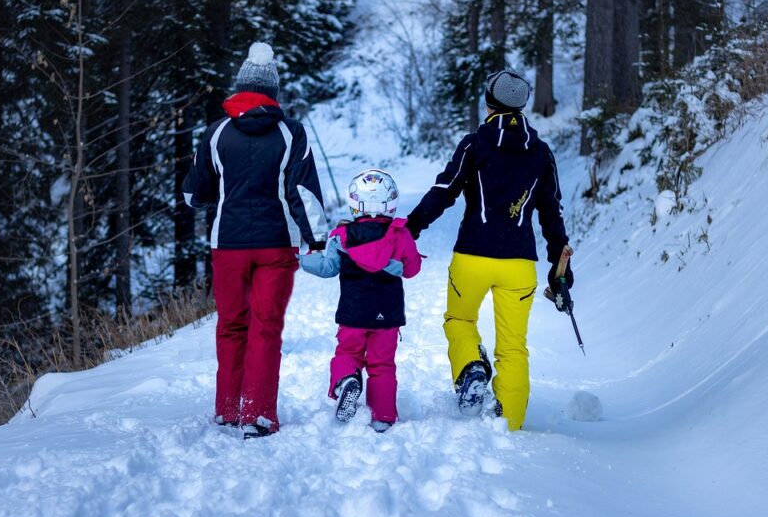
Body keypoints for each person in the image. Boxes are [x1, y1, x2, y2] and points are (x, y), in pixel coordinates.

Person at [405, 69, 573, 431]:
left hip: (473, 257)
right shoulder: (541, 154)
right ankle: (509, 422)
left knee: (460, 320)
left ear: (488, 103)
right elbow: (552, 214)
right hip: (519, 265)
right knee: (513, 347)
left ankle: (471, 369)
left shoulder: (475, 144)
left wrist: (411, 227)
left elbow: (444, 190)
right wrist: (560, 271)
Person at [182, 42, 328, 439]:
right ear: (274, 92)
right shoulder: (291, 132)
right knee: (265, 327)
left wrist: (224, 192)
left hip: (226, 244)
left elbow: (193, 195)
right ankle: (258, 414)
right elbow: (304, 193)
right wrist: (317, 240)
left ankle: (228, 410)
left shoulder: (216, 134)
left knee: (231, 325)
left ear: (241, 87)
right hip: (276, 245)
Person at [299, 169, 421, 432]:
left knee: (347, 353)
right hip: (387, 316)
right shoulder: (400, 234)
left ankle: (346, 381)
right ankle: (383, 417)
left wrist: (305, 258)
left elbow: (327, 268)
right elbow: (411, 270)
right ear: (391, 203)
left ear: (355, 203)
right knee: (382, 365)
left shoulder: (341, 236)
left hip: (352, 314)